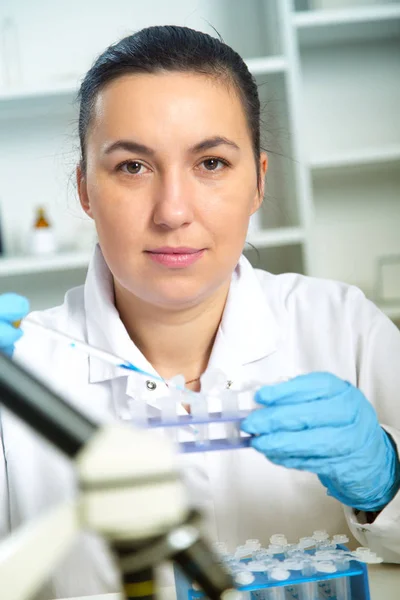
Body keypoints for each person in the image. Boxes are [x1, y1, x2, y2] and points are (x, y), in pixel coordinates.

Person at [1, 24, 400, 599]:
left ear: (259, 182)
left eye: (210, 163)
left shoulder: (342, 327)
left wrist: (387, 480)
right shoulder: (18, 371)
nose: (172, 211)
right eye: (132, 167)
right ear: (85, 189)